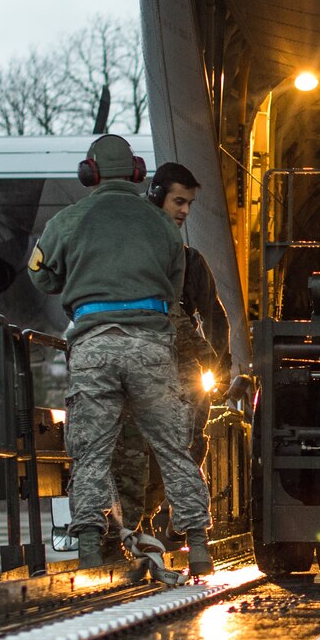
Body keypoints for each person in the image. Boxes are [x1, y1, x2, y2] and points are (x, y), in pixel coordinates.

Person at [30, 134, 211, 574]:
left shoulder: (67, 220)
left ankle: (91, 546)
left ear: (89, 173)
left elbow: (40, 276)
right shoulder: (162, 225)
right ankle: (199, 546)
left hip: (94, 346)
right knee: (172, 447)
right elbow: (172, 288)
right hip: (150, 345)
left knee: (91, 451)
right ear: (135, 172)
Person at [112, 162, 230, 539]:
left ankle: (147, 518)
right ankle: (133, 524)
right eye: (179, 201)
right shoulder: (131, 256)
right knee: (136, 450)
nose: (184, 211)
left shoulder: (191, 261)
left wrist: (220, 366)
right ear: (157, 196)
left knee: (186, 447)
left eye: (190, 204)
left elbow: (213, 316)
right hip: (140, 368)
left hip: (183, 373)